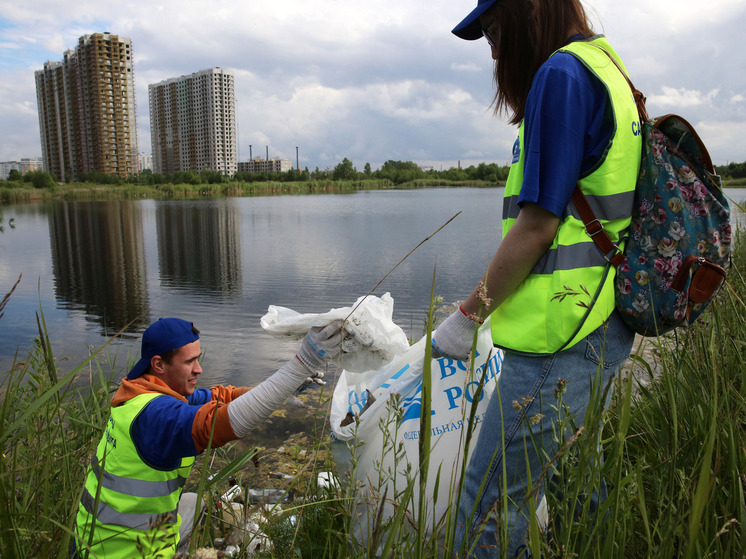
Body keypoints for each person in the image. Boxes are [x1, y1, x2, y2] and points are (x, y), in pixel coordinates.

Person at [431, 0, 642, 556]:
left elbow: (537, 228)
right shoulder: (606, 66)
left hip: (561, 334)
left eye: (495, 29)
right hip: (601, 319)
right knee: (578, 491)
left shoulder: (561, 74)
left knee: (488, 506)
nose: (495, 49)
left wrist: (467, 316)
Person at [74, 317, 344, 558]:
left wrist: (285, 387)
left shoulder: (144, 392)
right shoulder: (155, 416)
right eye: (189, 361)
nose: (199, 369)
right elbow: (226, 422)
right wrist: (302, 363)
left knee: (194, 503)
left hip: (96, 539)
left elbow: (223, 397)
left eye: (198, 359)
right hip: (122, 552)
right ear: (158, 364)